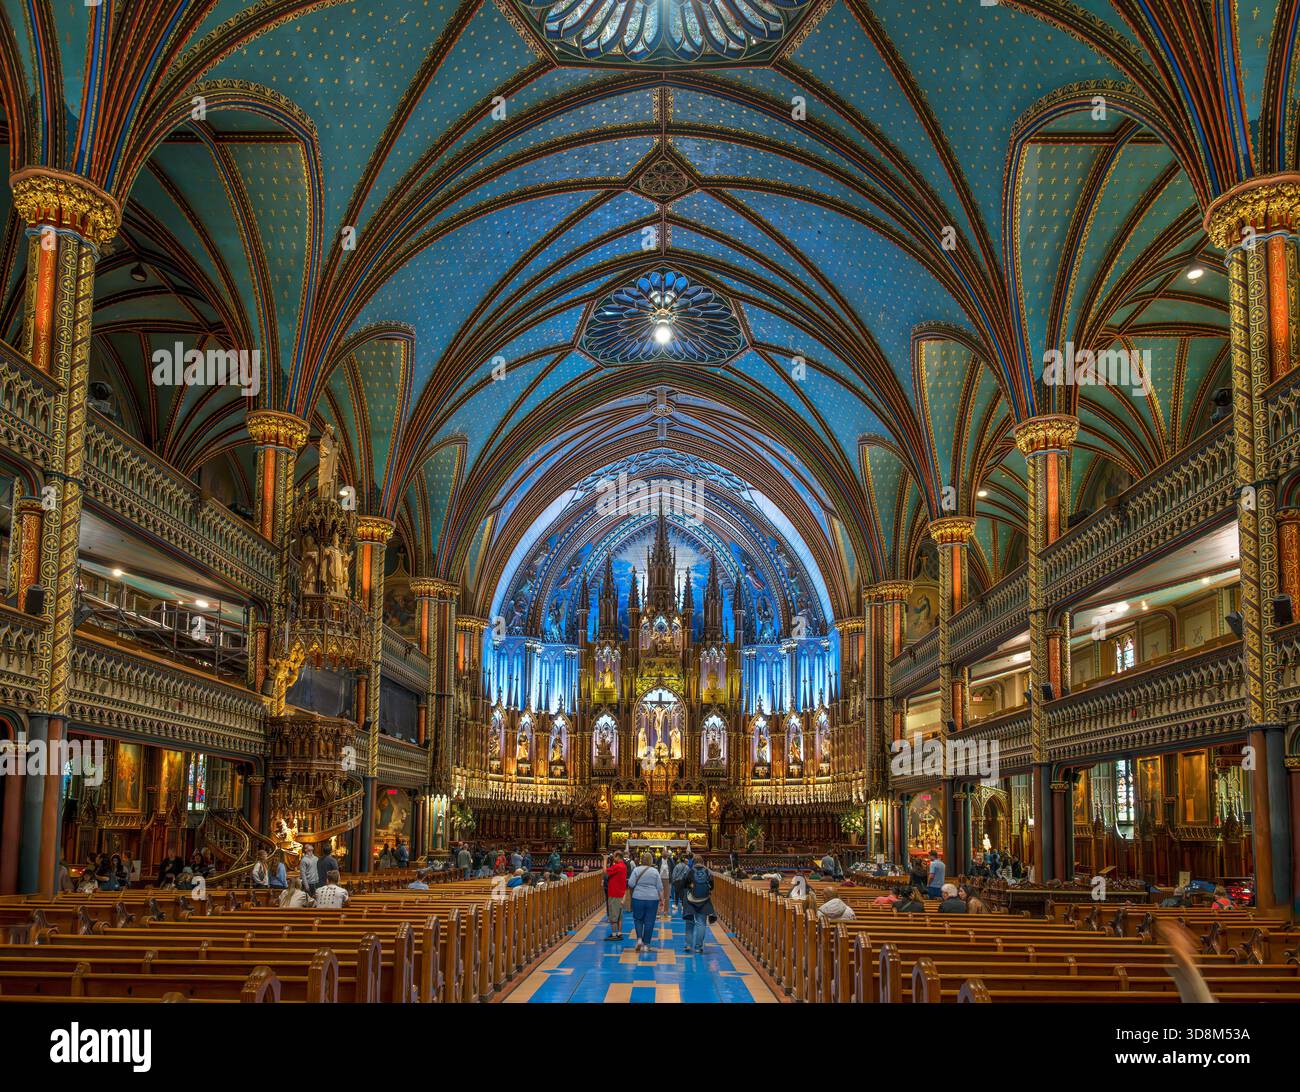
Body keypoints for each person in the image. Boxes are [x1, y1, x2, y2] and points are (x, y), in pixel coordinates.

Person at [628, 851, 664, 952]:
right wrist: (662, 900)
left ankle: (639, 939)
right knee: (650, 921)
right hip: (652, 899)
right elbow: (660, 887)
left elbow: (630, 884)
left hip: (638, 897)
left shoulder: (636, 870)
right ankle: (646, 944)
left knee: (638, 919)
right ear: (651, 860)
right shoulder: (655, 871)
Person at [682, 856, 715, 953]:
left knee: (689, 922)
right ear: (702, 862)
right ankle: (698, 946)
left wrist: (690, 886)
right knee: (701, 923)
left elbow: (684, 884)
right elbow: (712, 887)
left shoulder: (690, 871)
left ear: (693, 862)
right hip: (704, 900)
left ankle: (688, 945)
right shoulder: (708, 872)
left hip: (690, 900)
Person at [604, 852, 628, 940]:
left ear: (618, 857)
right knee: (619, 916)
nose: (613, 858)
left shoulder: (618, 866)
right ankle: (619, 933)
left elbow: (605, 872)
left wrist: (605, 859)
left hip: (614, 894)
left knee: (613, 915)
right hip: (621, 894)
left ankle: (614, 934)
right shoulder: (623, 866)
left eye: (614, 856)